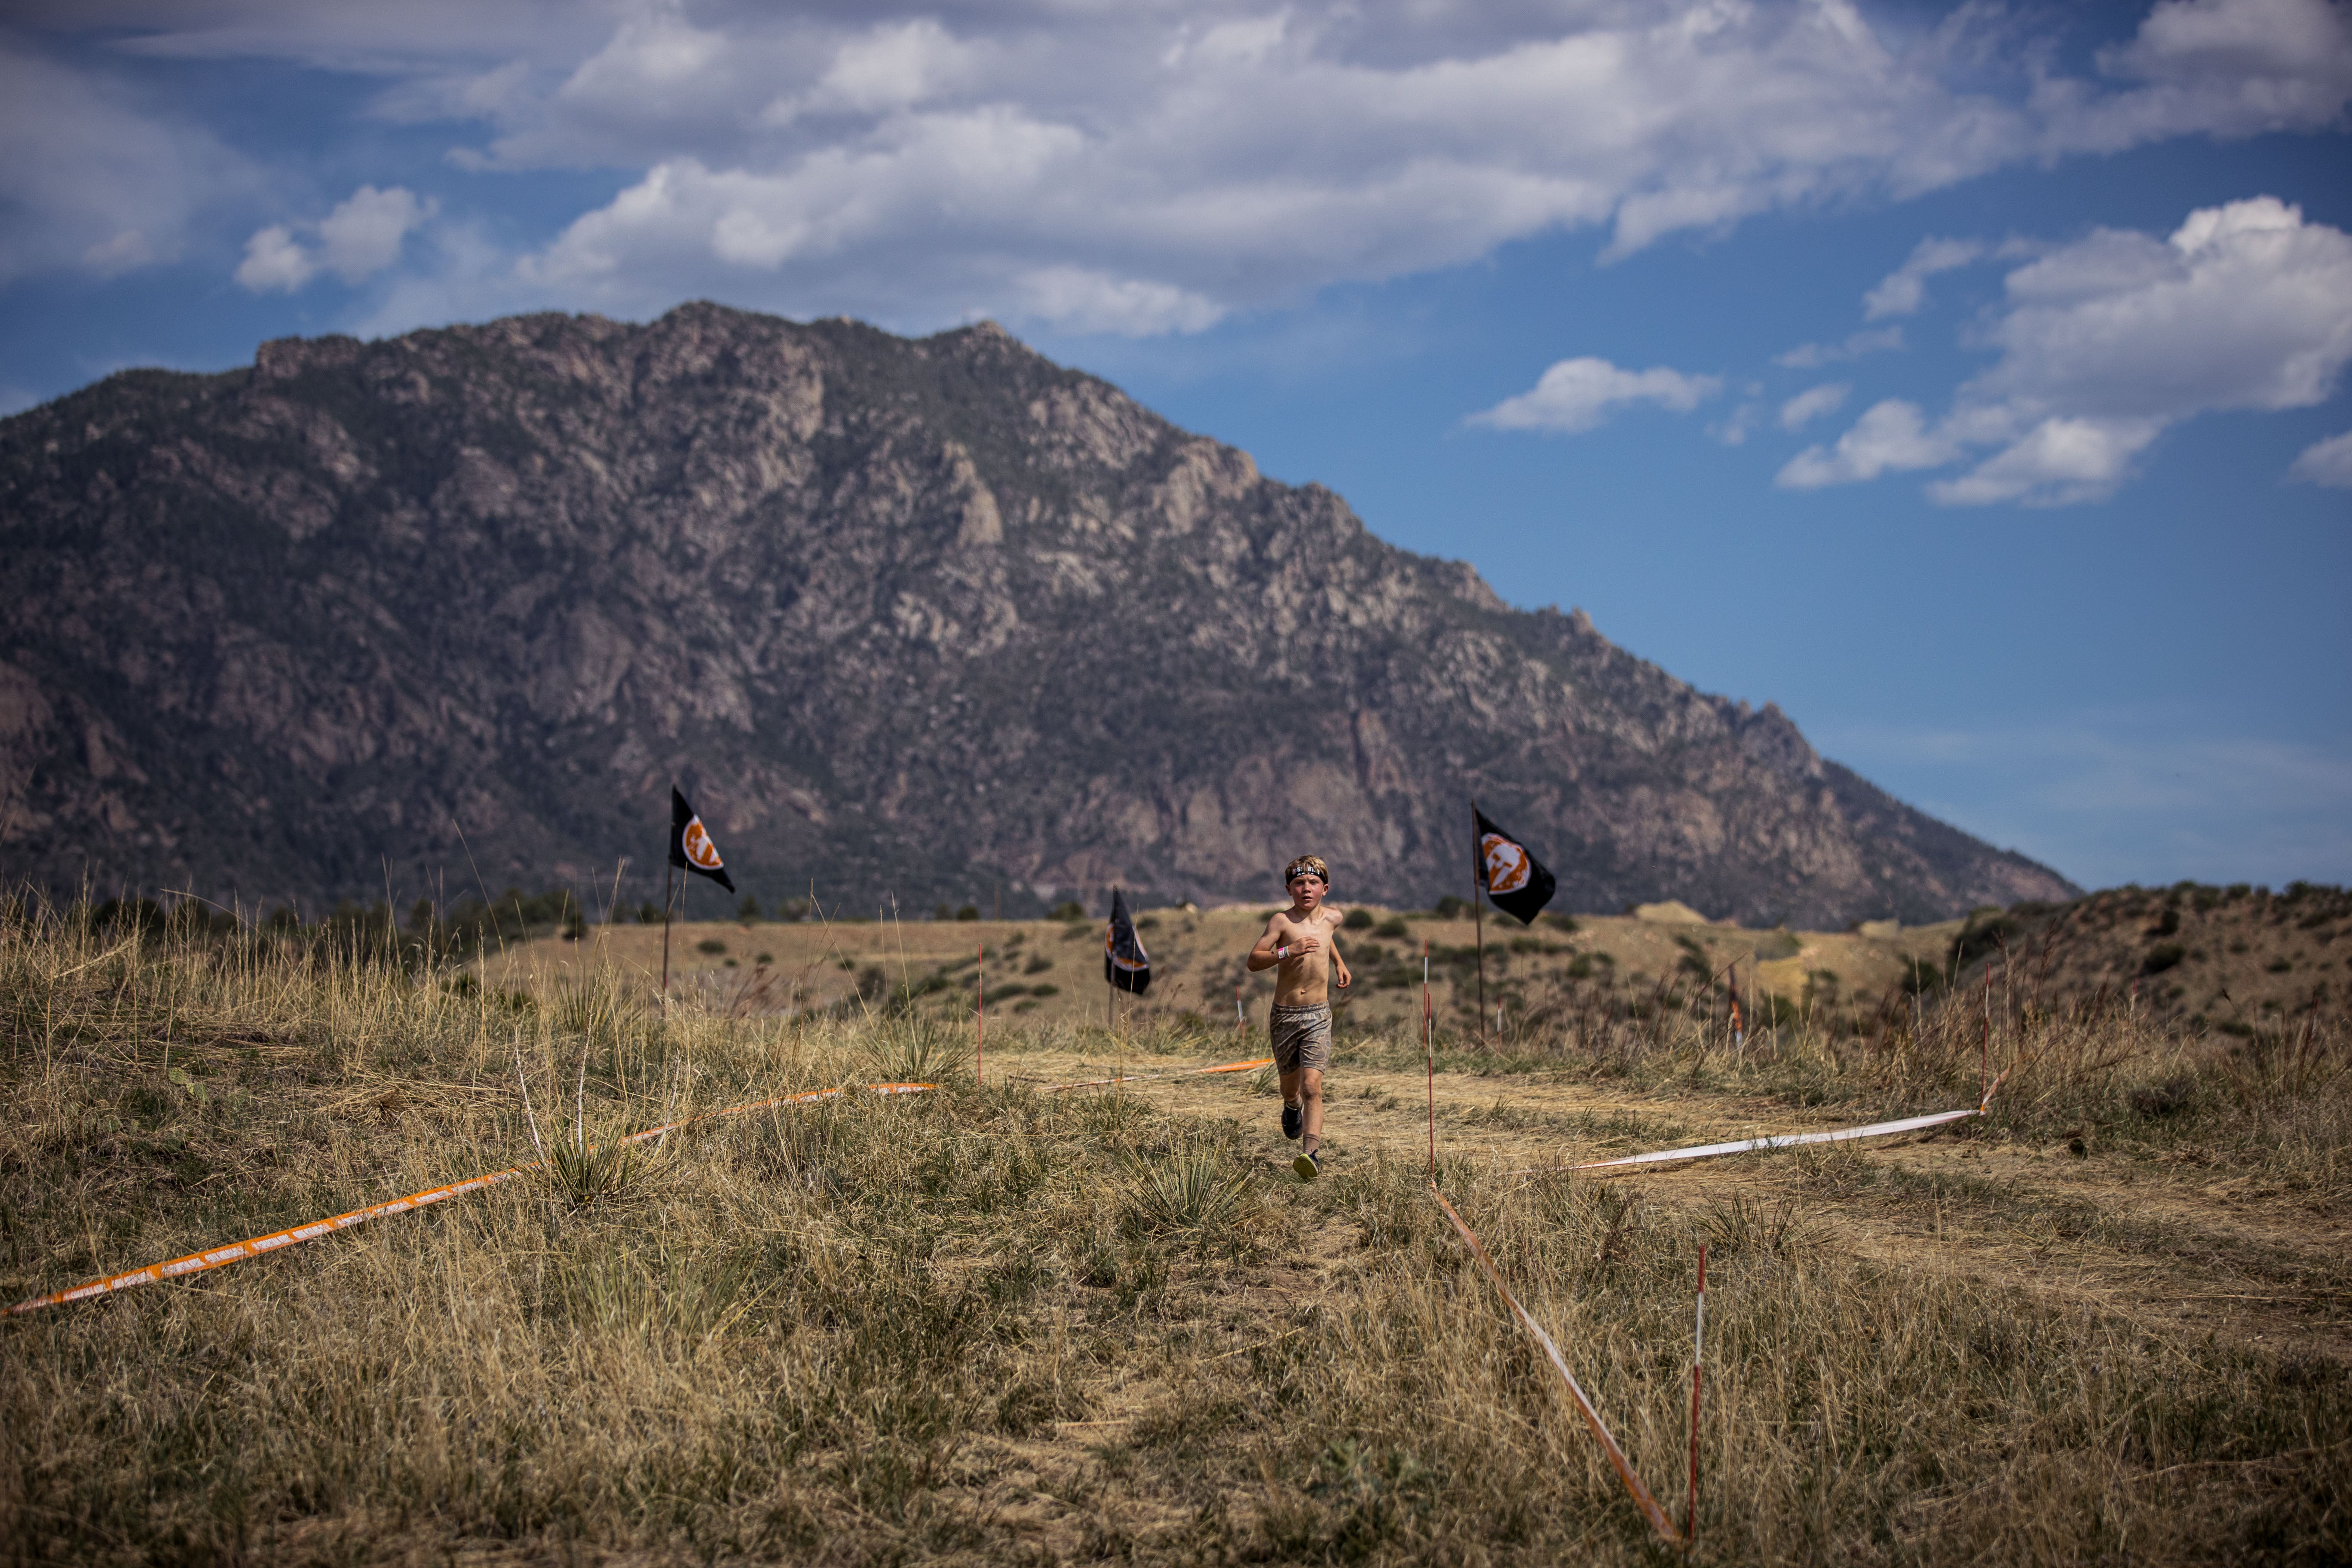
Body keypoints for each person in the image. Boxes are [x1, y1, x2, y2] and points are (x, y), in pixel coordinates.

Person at [1247, 854, 1352, 1179]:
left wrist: (1339, 962)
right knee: (1291, 1088)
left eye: (1313, 883)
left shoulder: (1334, 918)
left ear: (1326, 888)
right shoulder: (1282, 922)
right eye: (1299, 883)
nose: (1307, 889)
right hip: (1285, 1016)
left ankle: (1311, 1154)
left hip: (1319, 1015)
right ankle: (1291, 1108)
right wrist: (1286, 952)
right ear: (1289, 889)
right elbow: (1253, 960)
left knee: (1312, 1086)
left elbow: (1325, 938)